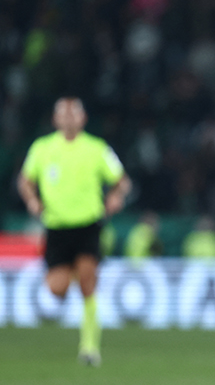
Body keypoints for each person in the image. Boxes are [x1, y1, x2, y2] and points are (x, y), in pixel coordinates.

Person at [17, 96, 131, 366]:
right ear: (55, 119)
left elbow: (122, 181)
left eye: (73, 114)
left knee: (88, 284)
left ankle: (89, 348)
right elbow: (25, 181)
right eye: (63, 114)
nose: (68, 118)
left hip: (88, 225)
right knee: (56, 289)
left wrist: (115, 196)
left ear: (83, 119)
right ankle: (71, 272)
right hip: (56, 227)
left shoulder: (97, 148)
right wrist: (32, 200)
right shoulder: (42, 148)